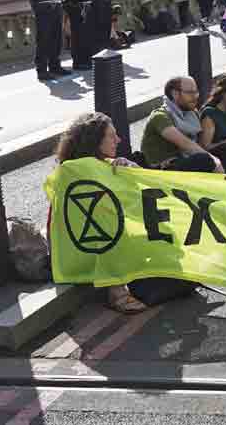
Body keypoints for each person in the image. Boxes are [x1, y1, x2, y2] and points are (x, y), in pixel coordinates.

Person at [54, 112, 155, 314]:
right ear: (95, 140)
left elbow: (141, 193)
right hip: (86, 240)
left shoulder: (104, 165)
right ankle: (117, 292)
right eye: (111, 136)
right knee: (110, 226)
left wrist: (130, 168)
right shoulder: (72, 170)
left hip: (100, 234)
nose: (118, 140)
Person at [139, 76, 224, 172]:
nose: (195, 96)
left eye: (196, 92)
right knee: (205, 160)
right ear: (175, 94)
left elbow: (202, 144)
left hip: (183, 160)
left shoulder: (192, 113)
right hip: (161, 169)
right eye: (190, 93)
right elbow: (186, 144)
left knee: (224, 150)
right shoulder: (160, 116)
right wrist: (215, 160)